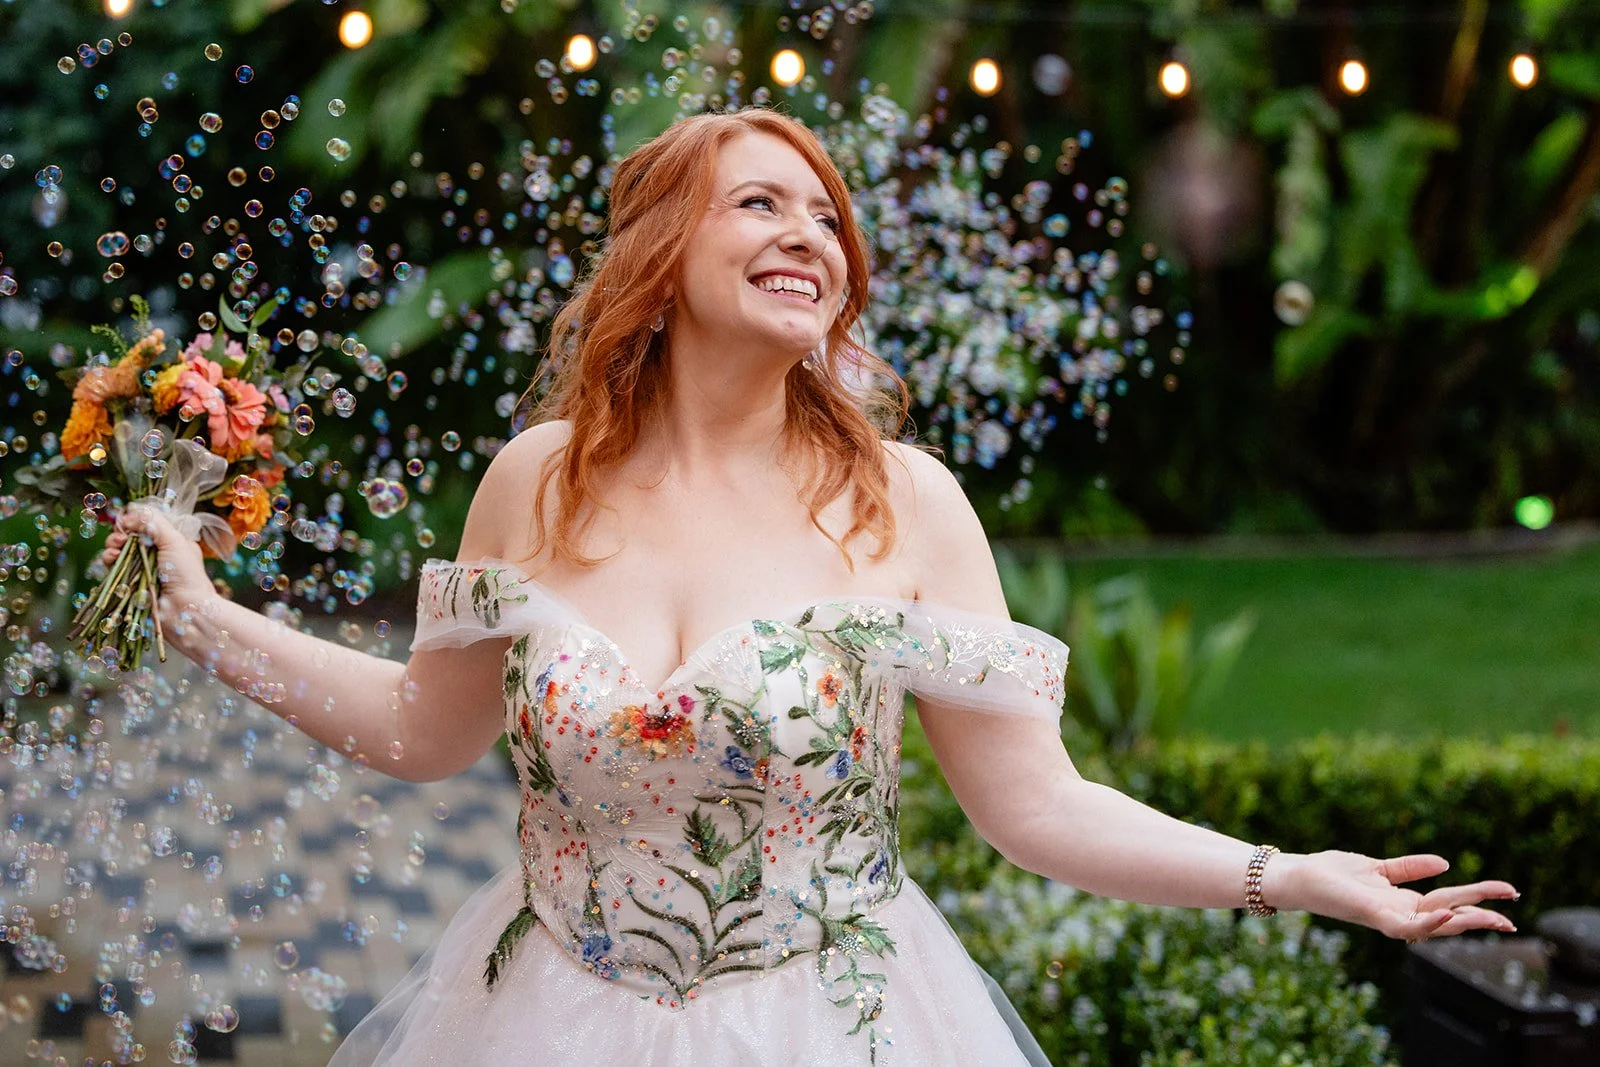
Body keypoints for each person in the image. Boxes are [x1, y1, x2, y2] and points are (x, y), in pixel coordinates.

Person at [103, 108, 1519, 1065]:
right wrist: (206, 616)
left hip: (835, 1024)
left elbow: (1038, 807)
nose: (809, 236)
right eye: (760, 205)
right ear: (659, 258)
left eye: (827, 219)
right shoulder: (536, 478)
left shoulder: (905, 504)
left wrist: (1293, 877)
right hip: (548, 1017)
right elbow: (427, 726)